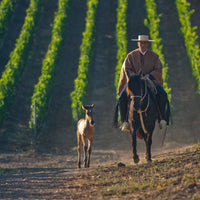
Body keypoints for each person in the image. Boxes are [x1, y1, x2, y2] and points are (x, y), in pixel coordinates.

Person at [117, 35, 169, 132]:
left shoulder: (154, 57)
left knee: (162, 94)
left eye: (144, 43)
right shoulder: (131, 56)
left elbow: (158, 69)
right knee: (122, 97)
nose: (142, 45)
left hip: (150, 81)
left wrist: (148, 76)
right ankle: (125, 121)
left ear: (148, 44)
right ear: (138, 43)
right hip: (134, 83)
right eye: (141, 43)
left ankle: (162, 118)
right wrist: (135, 77)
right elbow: (127, 69)